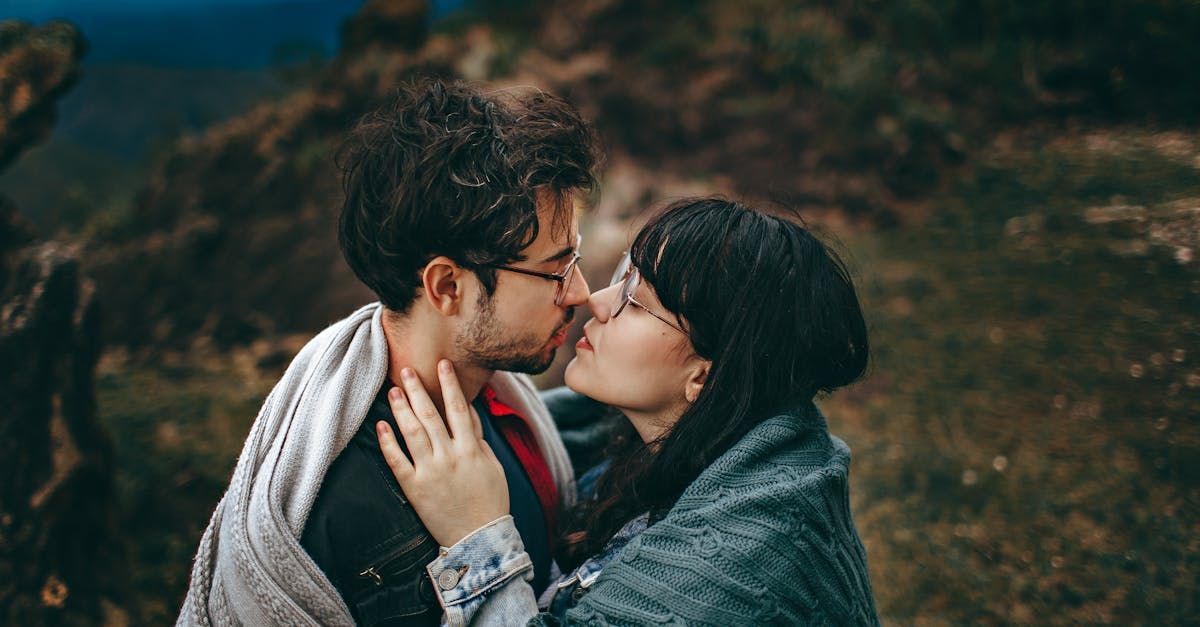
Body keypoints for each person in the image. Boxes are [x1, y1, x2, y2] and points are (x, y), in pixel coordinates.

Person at [177, 77, 599, 626]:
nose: (581, 291)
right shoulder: (341, 506)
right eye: (554, 270)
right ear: (447, 287)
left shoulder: (505, 409)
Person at [378, 197, 881, 625]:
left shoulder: (729, 569)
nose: (596, 300)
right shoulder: (663, 444)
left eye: (636, 301)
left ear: (705, 376)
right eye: (625, 274)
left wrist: (475, 536)